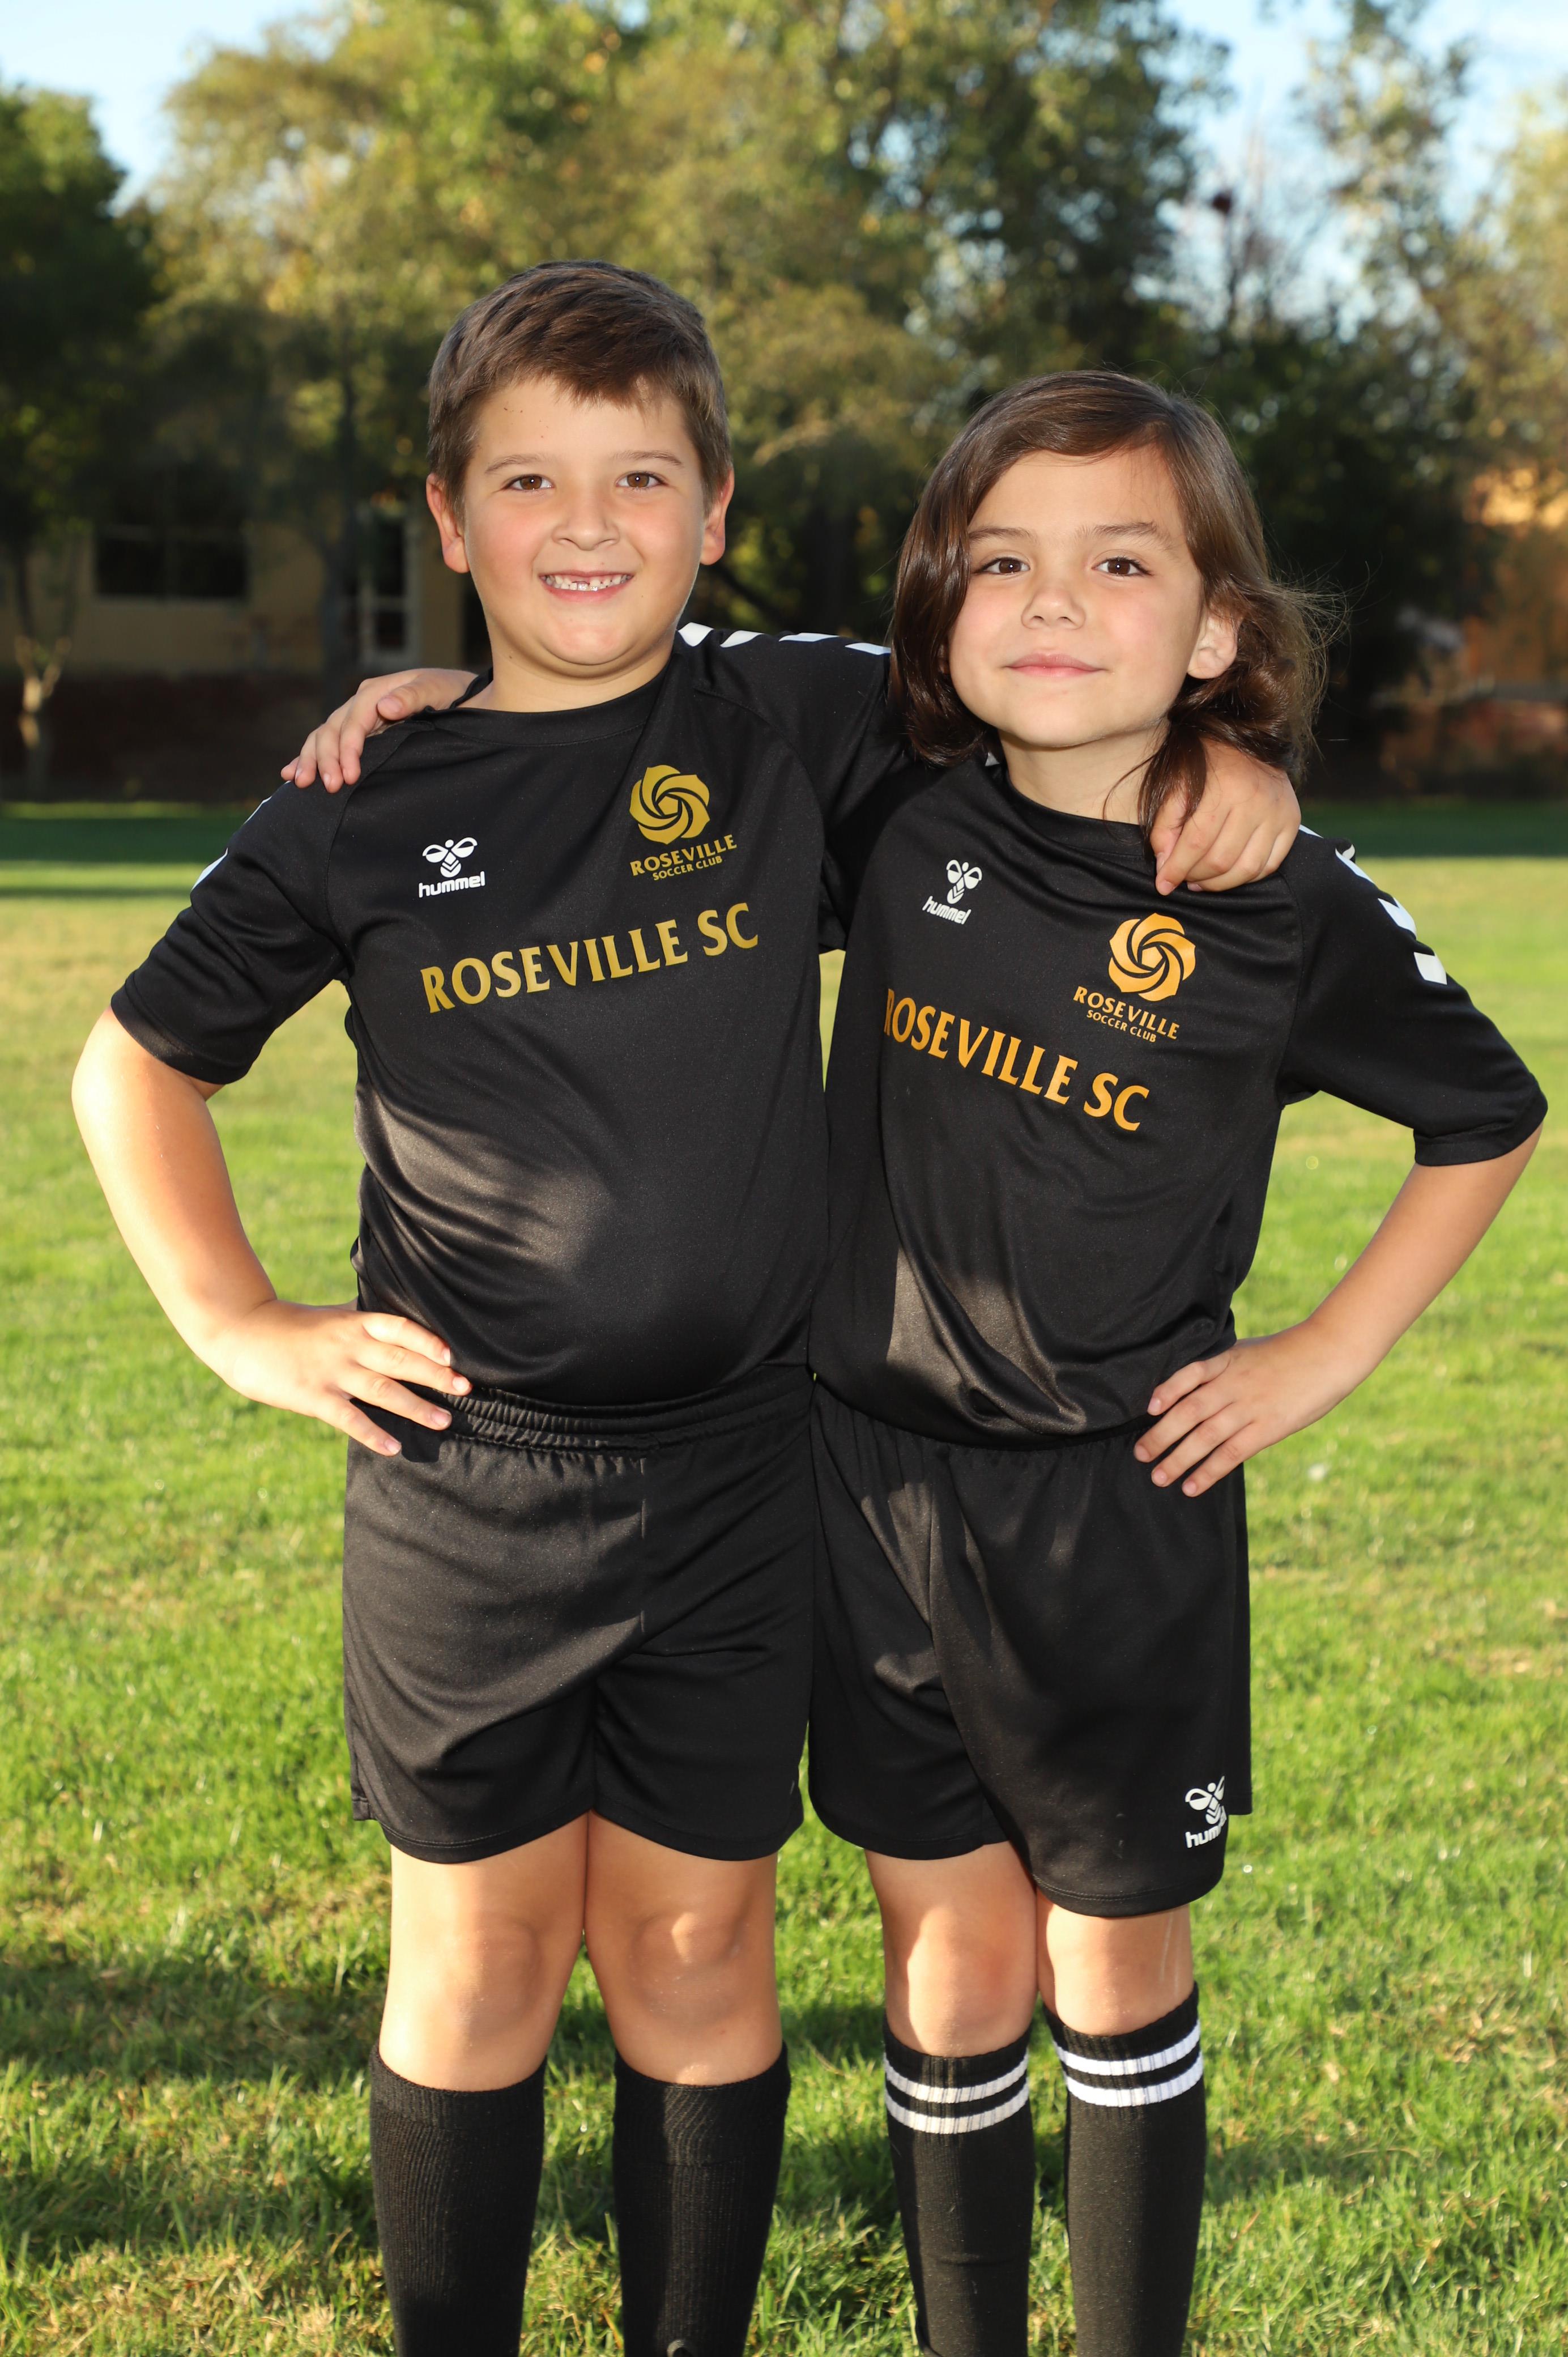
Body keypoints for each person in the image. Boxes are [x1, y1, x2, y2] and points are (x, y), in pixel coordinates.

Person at [73, 264, 1295, 2357]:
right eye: (527, 481)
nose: (587, 523)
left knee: (698, 1953)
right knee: (477, 1968)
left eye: (641, 479)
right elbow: (135, 1066)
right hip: (467, 1485)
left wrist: (1228, 746)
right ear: (445, 518)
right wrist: (237, 1324)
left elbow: (1050, 664)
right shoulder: (365, 801)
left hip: (746, 1481)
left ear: (715, 511)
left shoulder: (785, 725)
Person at [801, 371, 1546, 2357]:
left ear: (1216, 631)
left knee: (1114, 1962)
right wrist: (429, 695)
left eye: (1120, 565)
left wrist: (1322, 1355)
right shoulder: (886, 802)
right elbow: (631, 672)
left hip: (1117, 1511)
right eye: (1003, 564)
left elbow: (1488, 1113)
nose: (1053, 603)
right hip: (867, 1486)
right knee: (946, 1961)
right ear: (943, 608)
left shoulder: (1273, 895)